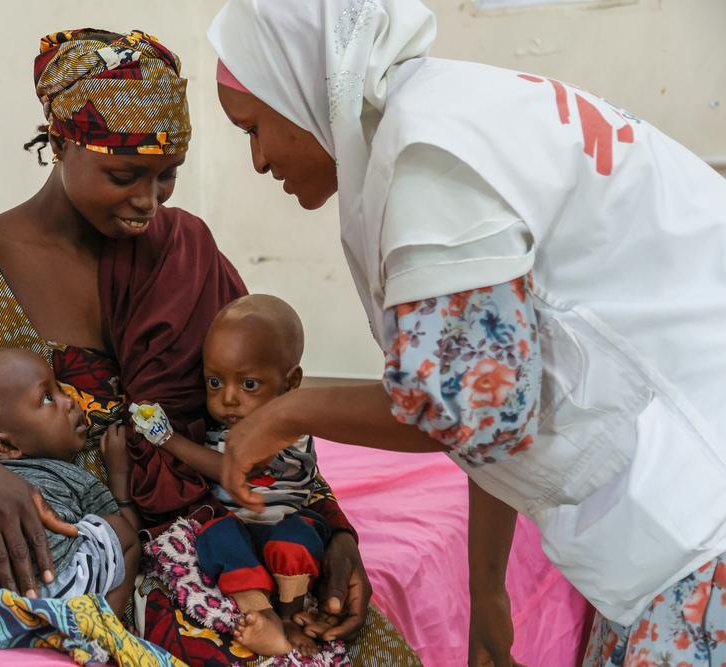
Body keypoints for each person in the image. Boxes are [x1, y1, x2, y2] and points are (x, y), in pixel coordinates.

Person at [0, 28, 420, 664]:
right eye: (124, 174)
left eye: (167, 177)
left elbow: (257, 411)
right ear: (58, 143)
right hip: (53, 553)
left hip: (206, 534)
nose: (148, 202)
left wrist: (333, 530)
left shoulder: (184, 254)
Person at [207, 1, 726, 665]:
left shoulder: (431, 156)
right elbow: (496, 396)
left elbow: (467, 410)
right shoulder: (459, 116)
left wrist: (289, 413)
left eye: (253, 127)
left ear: (297, 88)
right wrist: (487, 592)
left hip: (701, 522)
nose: (255, 160)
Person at [154, 294, 330, 656]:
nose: (229, 399)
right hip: (241, 528)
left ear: (291, 383)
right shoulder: (219, 428)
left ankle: (290, 616)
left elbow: (231, 467)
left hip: (285, 522)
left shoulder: (291, 430)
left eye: (249, 384)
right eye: (214, 383)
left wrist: (169, 440)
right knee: (215, 536)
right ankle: (262, 615)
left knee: (296, 541)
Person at [0, 348, 140, 616]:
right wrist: (119, 475)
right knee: (123, 533)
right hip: (50, 590)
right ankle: (104, 625)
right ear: (5, 445)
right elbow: (127, 526)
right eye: (47, 398)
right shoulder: (67, 475)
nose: (70, 401)